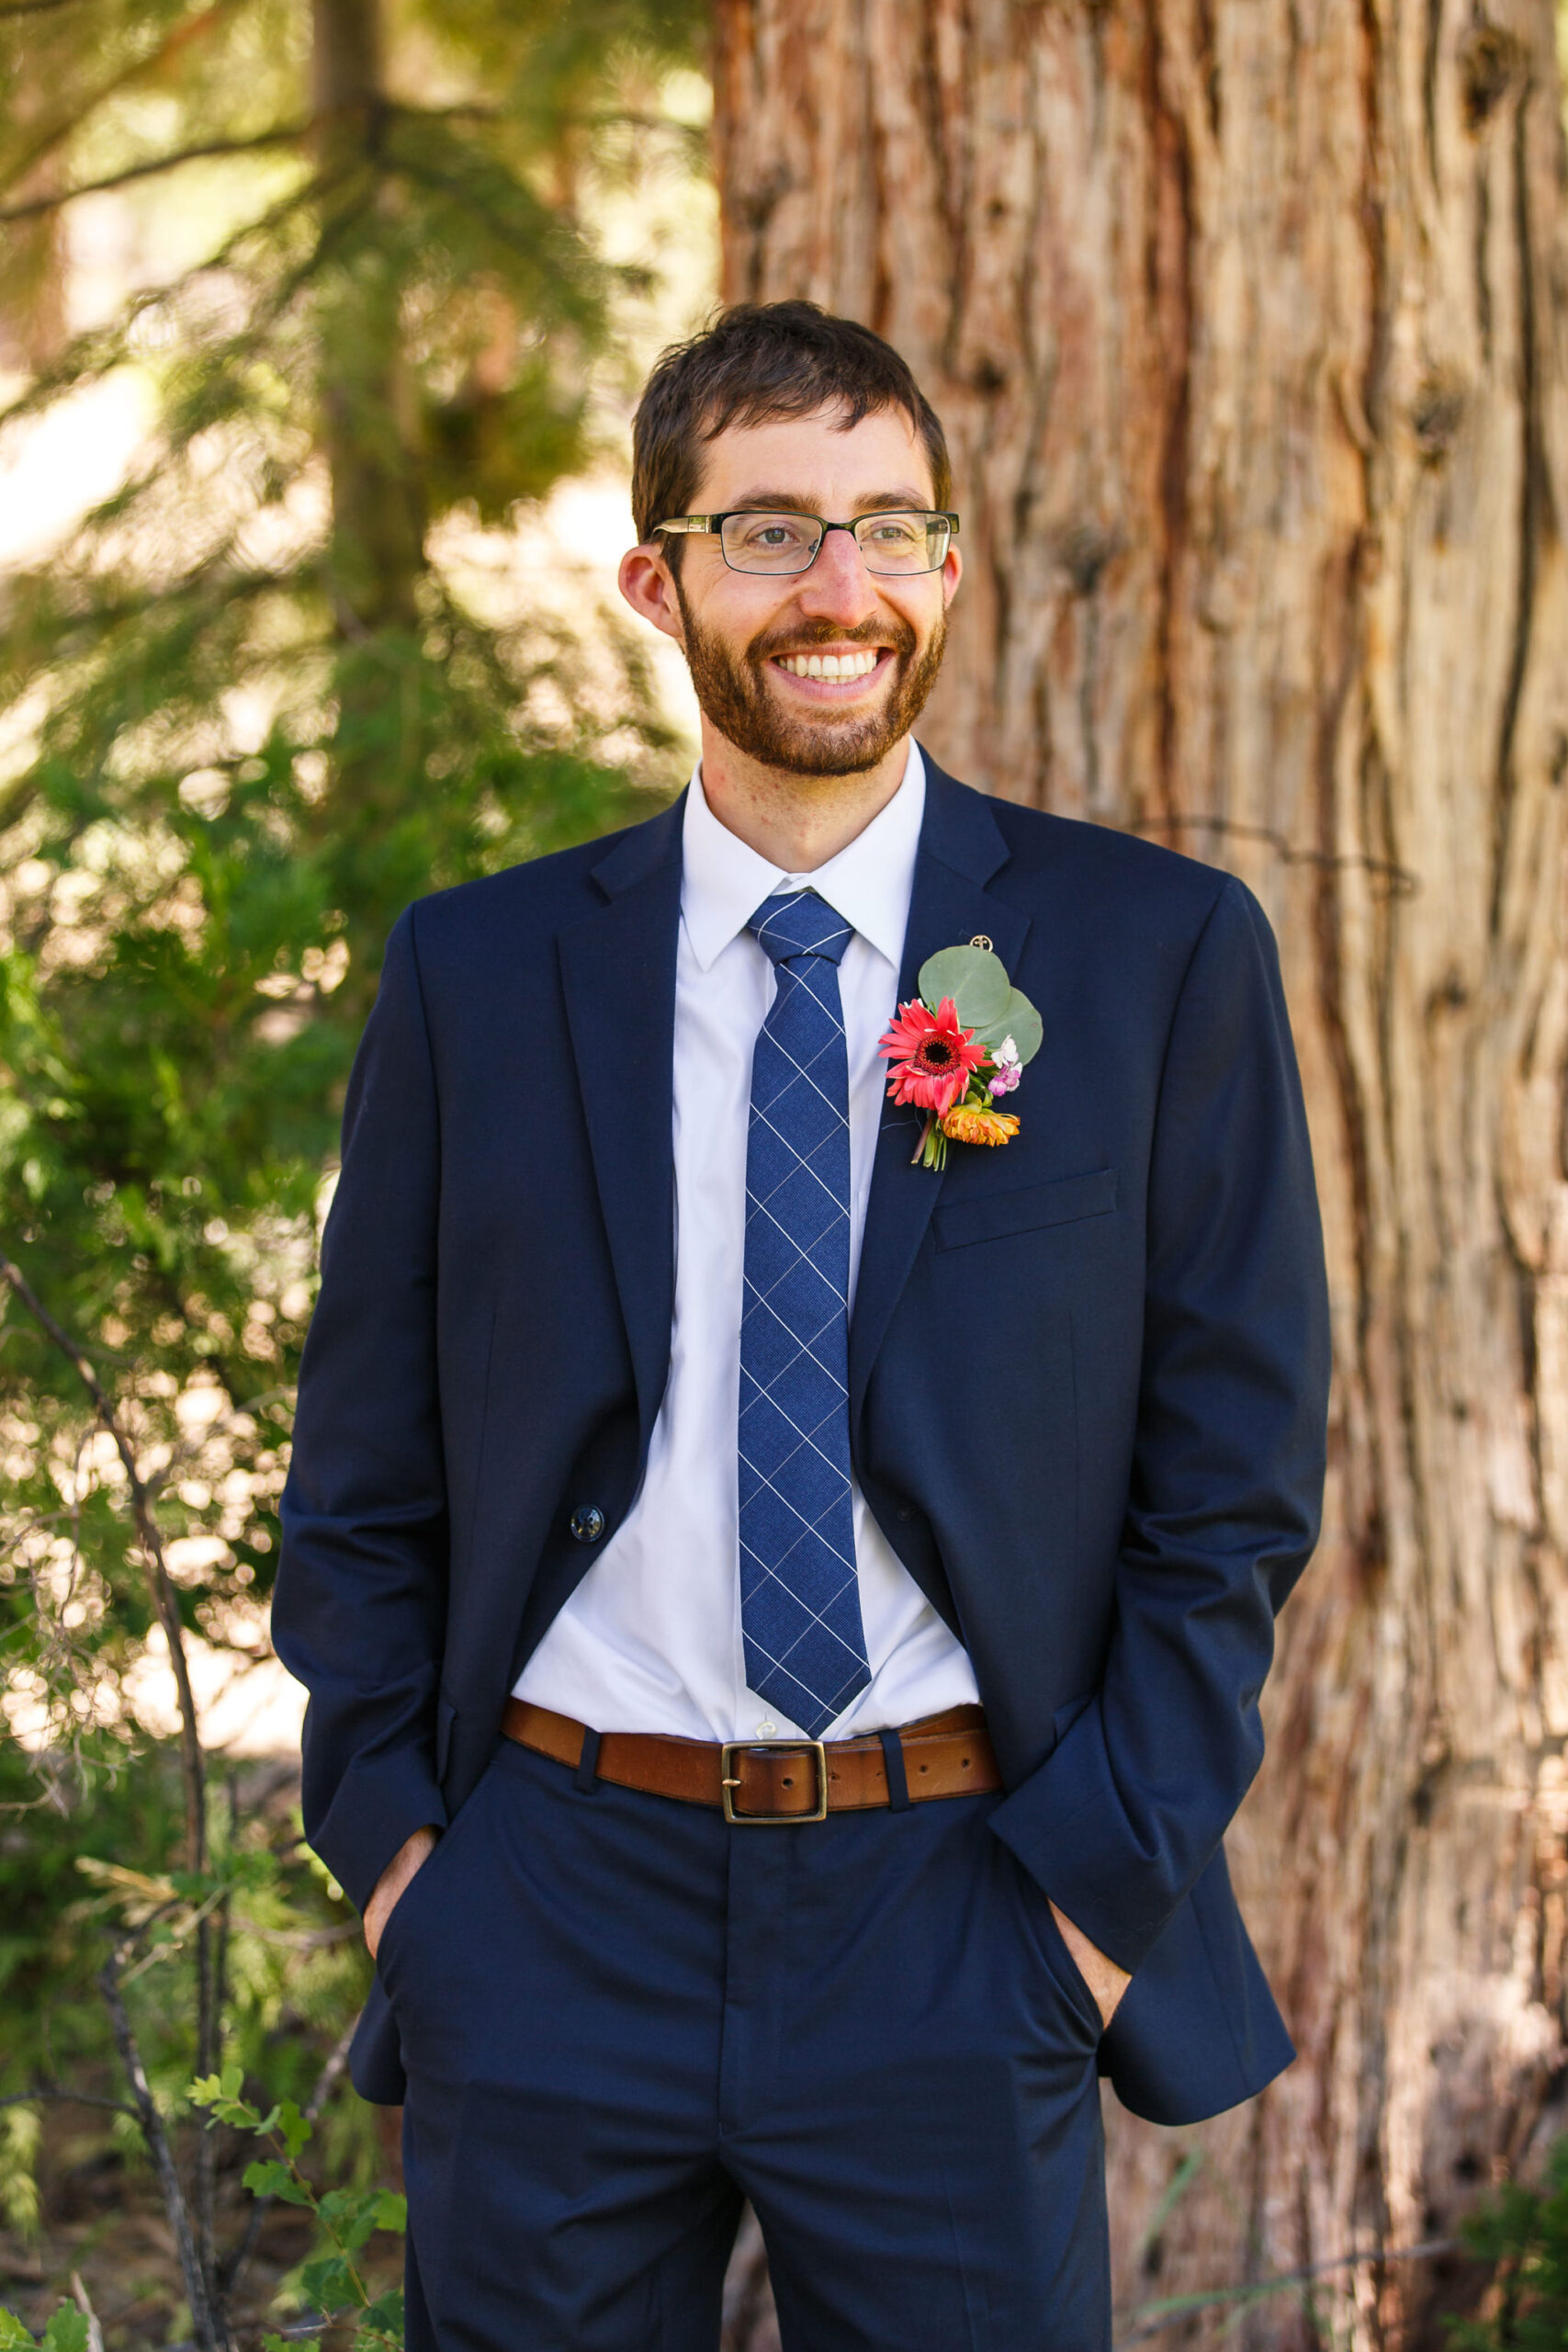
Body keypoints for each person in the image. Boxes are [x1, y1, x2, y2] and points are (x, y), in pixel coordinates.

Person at [273, 299, 1331, 2352]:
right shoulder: (484, 972)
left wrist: (1086, 1903)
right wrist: (406, 1858)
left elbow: (1231, 1482)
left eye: (884, 525)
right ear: (651, 577)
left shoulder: (1146, 958)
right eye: (767, 531)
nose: (835, 588)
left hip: (959, 1899)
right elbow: (366, 1451)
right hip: (551, 1897)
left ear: (946, 562)